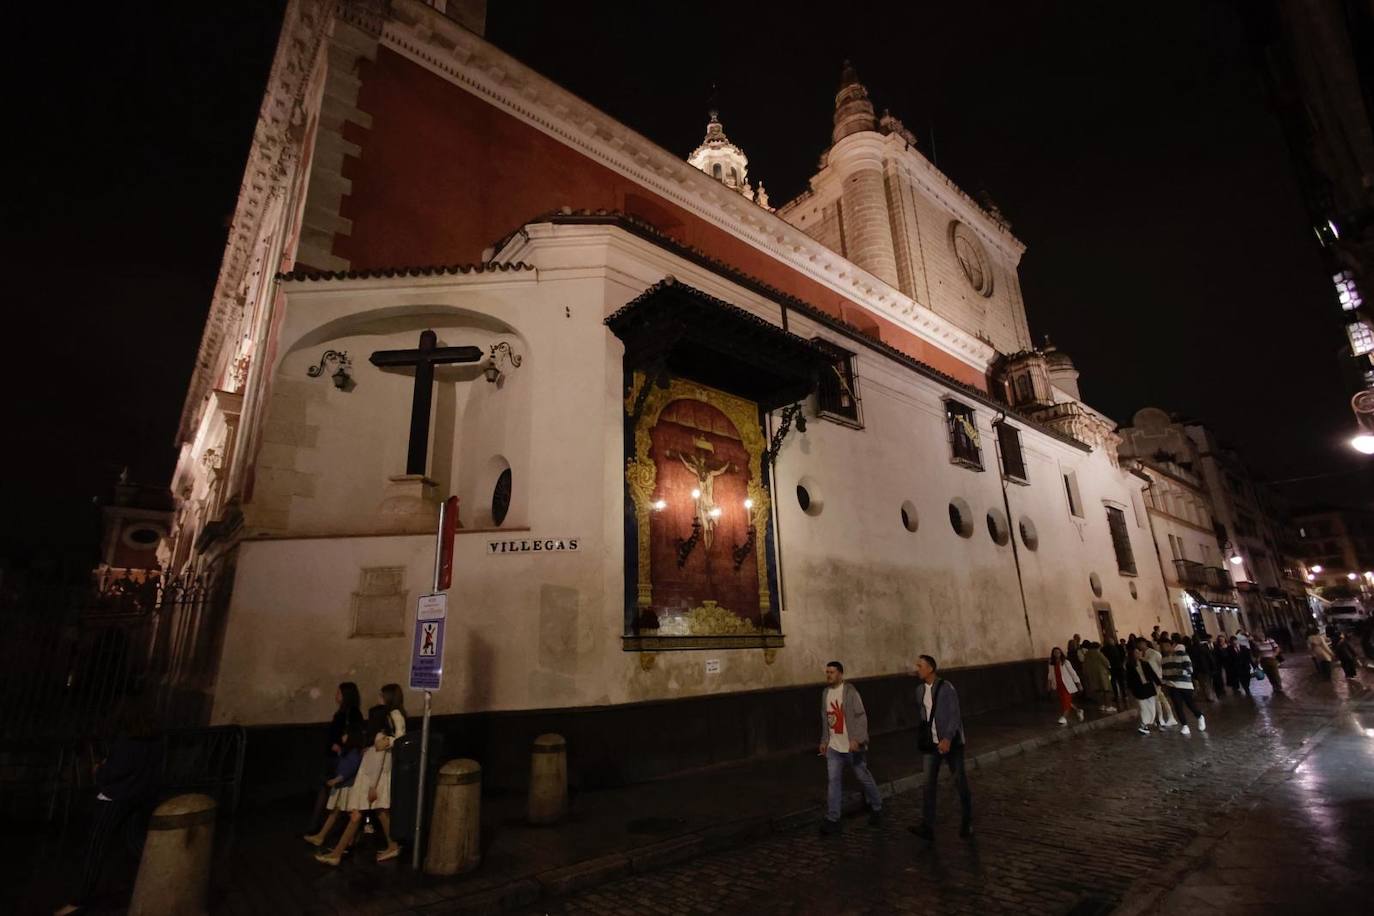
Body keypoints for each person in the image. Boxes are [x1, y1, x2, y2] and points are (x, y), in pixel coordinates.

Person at [56, 703, 163, 916]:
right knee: (134, 841)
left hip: (115, 799)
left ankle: (80, 899)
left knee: (96, 847)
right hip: (139, 798)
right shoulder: (155, 741)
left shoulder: (126, 742)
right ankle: (165, 873)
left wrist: (100, 770)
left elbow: (113, 773)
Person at [316, 684, 408, 865]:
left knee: (364, 812)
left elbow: (399, 739)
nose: (378, 698)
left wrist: (387, 742)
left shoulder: (392, 716)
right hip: (374, 774)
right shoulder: (386, 721)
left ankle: (338, 853)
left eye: (382, 695)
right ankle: (388, 846)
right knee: (377, 812)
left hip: (375, 775)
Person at [908, 655, 972, 840]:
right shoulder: (919, 690)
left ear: (930, 669)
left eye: (920, 666)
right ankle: (927, 826)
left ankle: (967, 822)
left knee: (960, 782)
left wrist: (948, 738)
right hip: (931, 745)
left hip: (951, 744)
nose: (917, 669)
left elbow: (954, 715)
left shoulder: (946, 688)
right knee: (928, 785)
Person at [817, 660, 882, 835]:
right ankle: (833, 818)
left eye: (832, 672)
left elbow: (861, 716)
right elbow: (825, 718)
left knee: (863, 776)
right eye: (827, 672)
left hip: (852, 747)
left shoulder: (850, 692)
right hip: (834, 747)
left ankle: (877, 806)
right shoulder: (825, 693)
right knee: (833, 782)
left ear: (840, 674)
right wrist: (824, 740)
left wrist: (858, 739)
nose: (828, 675)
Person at [308, 682, 364, 834]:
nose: (336, 696)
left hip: (340, 757)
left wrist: (341, 746)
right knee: (330, 793)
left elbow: (354, 735)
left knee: (332, 793)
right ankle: (321, 828)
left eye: (339, 693)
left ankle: (320, 828)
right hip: (335, 756)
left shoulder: (350, 713)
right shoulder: (345, 712)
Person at [303, 722, 365, 849]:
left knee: (349, 814)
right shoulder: (349, 752)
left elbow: (348, 770)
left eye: (345, 734)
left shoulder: (353, 753)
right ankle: (321, 836)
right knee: (335, 812)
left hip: (346, 788)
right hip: (342, 787)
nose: (342, 737)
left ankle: (349, 840)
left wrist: (335, 780)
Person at [1160, 638, 1206, 735]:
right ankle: (1185, 726)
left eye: (1167, 646)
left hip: (1185, 685)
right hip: (1172, 685)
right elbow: (1164, 673)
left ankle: (1199, 716)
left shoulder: (1183, 655)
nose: (1164, 648)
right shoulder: (1163, 659)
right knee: (1177, 706)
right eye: (1163, 646)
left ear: (1172, 646)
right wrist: (1164, 684)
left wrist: (1181, 673)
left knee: (1190, 704)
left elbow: (1190, 669)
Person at [1125, 643, 1161, 736]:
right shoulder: (1130, 666)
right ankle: (1143, 725)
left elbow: (1152, 674)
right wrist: (1130, 690)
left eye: (1138, 652)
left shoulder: (1145, 663)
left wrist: (1158, 683)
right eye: (1136, 652)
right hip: (1139, 689)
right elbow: (1129, 679)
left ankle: (1146, 723)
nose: (1138, 653)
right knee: (1144, 708)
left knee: (1152, 707)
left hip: (1148, 687)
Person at [1140, 638, 1177, 726]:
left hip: (1157, 680)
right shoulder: (1143, 654)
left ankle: (1162, 718)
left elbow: (1161, 666)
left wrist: (1161, 678)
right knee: (1161, 699)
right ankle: (1166, 717)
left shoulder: (1154, 654)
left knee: (1158, 699)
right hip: (1150, 680)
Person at [1047, 646, 1085, 724]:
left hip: (1066, 684)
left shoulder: (1066, 662)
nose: (1057, 654)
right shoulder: (1051, 663)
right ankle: (1078, 710)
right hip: (1058, 685)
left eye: (1058, 652)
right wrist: (1049, 683)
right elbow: (1050, 674)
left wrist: (1078, 683)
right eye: (1055, 652)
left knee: (1066, 700)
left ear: (1061, 653)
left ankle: (1064, 717)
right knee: (1064, 701)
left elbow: (1073, 673)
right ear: (1053, 654)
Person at [1082, 641, 1115, 712]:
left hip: (1092, 675)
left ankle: (1102, 705)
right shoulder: (1098, 653)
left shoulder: (1086, 655)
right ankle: (1108, 706)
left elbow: (1084, 666)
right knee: (1106, 690)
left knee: (1098, 691)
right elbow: (1106, 662)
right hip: (1102, 674)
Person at [1186, 635, 1215, 702]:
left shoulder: (1190, 649)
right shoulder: (1203, 647)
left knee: (1203, 683)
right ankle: (1209, 695)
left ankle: (1208, 695)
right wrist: (1213, 666)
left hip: (1197, 669)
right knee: (1208, 682)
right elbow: (1209, 657)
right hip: (1206, 667)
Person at [1105, 638, 1128, 708]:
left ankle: (1120, 695)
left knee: (1116, 682)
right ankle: (1122, 695)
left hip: (1115, 667)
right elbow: (1124, 656)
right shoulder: (1117, 647)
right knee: (1118, 681)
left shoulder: (1106, 649)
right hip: (1116, 667)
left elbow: (1124, 656)